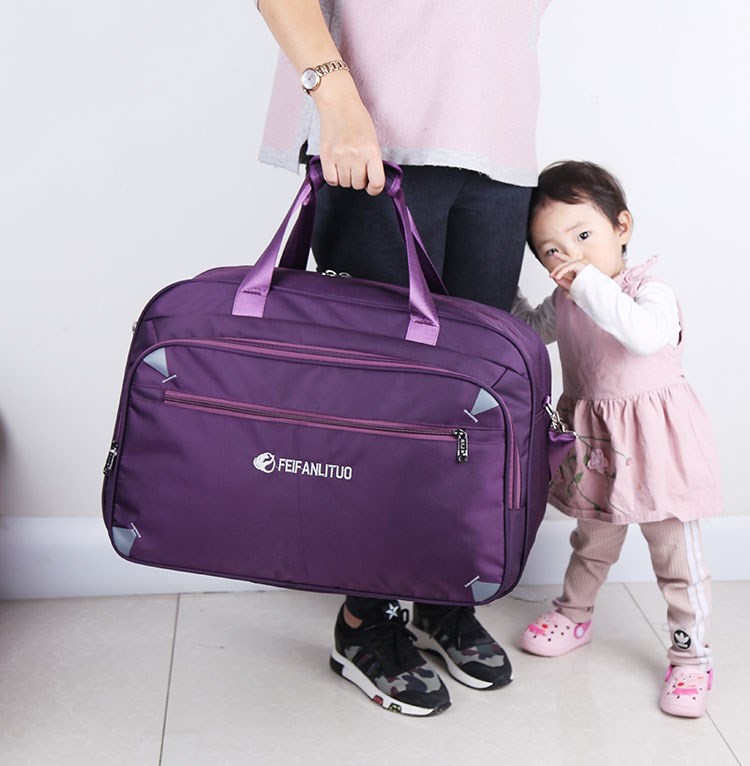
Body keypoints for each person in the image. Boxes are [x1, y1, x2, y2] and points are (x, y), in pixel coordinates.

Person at [257, 0, 552, 715]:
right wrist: (336, 100)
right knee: (382, 410)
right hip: (375, 136)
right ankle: (366, 618)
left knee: (474, 404)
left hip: (499, 145)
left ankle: (440, 589)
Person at [512, 160, 723, 718]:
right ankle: (574, 613)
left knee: (676, 559)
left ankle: (691, 658)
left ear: (621, 227)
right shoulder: (566, 299)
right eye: (552, 250)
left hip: (657, 448)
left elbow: (643, 335)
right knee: (592, 540)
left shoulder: (648, 291)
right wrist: (500, 280)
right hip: (601, 448)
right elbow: (529, 331)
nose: (571, 257)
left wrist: (586, 284)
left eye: (583, 237)